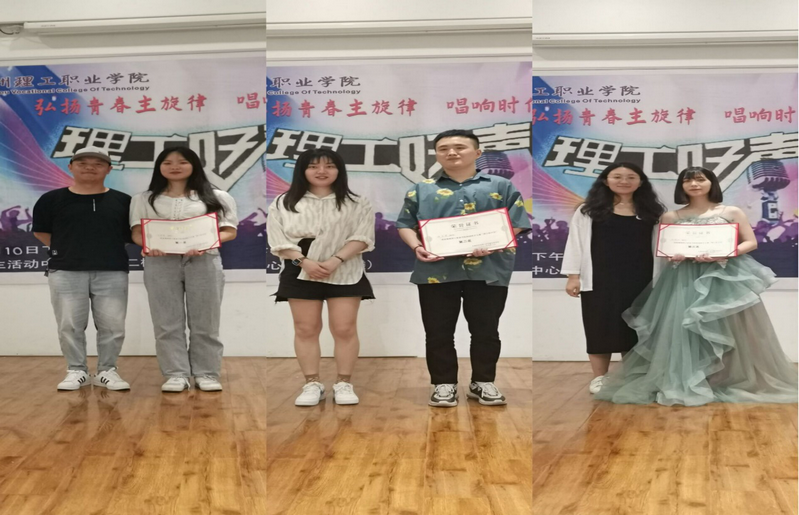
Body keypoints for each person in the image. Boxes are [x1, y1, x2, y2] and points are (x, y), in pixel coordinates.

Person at [596, 167, 798, 406]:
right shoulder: (671, 216)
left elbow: (750, 242)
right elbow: (665, 249)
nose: (694, 184)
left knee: (729, 328)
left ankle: (725, 378)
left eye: (700, 179)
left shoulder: (731, 211)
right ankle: (690, 378)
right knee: (684, 327)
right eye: (688, 180)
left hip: (723, 276)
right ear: (681, 186)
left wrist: (724, 252)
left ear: (711, 183)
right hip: (684, 278)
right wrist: (673, 255)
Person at [396, 129, 531, 407]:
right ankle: (443, 384)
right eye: (444, 148)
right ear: (436, 155)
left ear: (477, 153)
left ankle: (483, 381)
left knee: (486, 330)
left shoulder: (500, 185)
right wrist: (416, 246)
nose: (451, 152)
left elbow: (518, 222)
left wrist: (493, 243)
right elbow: (405, 224)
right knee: (438, 331)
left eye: (460, 147)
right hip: (435, 272)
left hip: (489, 270)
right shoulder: (421, 189)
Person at [267, 148, 375, 407]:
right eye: (313, 166)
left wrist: (336, 260)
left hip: (345, 267)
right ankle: (312, 383)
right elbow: (277, 240)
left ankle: (344, 383)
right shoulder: (283, 202)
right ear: (302, 170)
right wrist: (303, 262)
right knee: (306, 329)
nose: (322, 171)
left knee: (344, 328)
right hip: (299, 266)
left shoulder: (357, 202)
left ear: (339, 170)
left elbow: (363, 237)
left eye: (329, 166)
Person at [130, 147, 238, 392]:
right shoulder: (143, 199)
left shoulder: (217, 196)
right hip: (160, 262)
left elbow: (229, 231)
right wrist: (149, 246)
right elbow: (137, 232)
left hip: (204, 260)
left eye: (182, 162)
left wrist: (205, 243)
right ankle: (175, 374)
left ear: (194, 165)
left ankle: (206, 373)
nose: (174, 167)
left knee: (206, 322)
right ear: (159, 167)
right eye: (167, 162)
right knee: (166, 322)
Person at [32, 147, 132, 391]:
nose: (90, 167)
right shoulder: (51, 199)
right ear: (70, 167)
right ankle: (76, 371)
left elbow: (130, 235)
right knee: (69, 325)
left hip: (112, 270)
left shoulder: (123, 201)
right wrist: (69, 249)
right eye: (82, 162)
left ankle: (107, 371)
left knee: (113, 326)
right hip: (66, 270)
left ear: (109, 169)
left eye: (98, 164)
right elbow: (41, 232)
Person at [561, 162, 665, 394]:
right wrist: (573, 276)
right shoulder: (588, 210)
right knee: (599, 327)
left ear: (641, 182)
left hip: (641, 279)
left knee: (636, 328)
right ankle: (600, 378)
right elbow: (575, 243)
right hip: (600, 279)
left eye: (631, 177)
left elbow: (663, 244)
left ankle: (633, 375)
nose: (624, 181)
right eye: (617, 176)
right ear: (606, 180)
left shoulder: (652, 211)